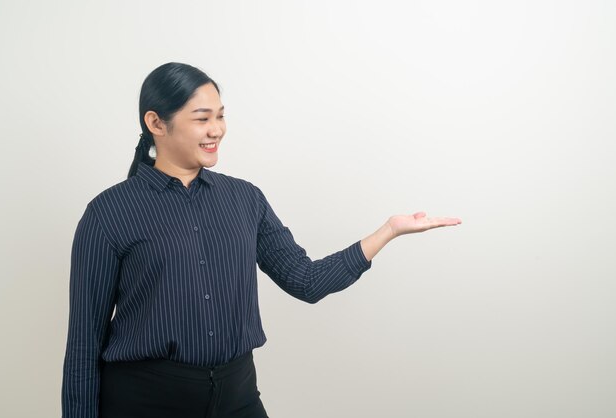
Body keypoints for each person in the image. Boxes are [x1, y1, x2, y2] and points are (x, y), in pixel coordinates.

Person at [61, 62, 462, 418]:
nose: (216, 129)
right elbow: (83, 346)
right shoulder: (108, 213)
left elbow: (305, 280)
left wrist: (387, 231)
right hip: (145, 401)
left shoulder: (245, 199)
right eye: (202, 118)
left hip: (237, 396)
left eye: (220, 116)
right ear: (156, 123)